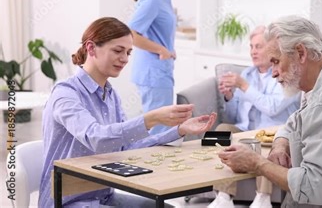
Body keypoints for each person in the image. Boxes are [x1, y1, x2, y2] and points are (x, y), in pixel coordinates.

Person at [38, 17, 216, 208]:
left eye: (128, 53)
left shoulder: (111, 95)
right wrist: (151, 119)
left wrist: (179, 130)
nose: (124, 59)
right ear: (91, 48)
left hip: (103, 196)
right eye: (117, 51)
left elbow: (128, 147)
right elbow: (94, 136)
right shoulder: (65, 94)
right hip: (67, 201)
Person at [217, 16, 322, 207]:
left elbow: (313, 189)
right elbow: (294, 121)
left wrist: (258, 163)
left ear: (300, 53)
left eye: (275, 61)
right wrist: (280, 144)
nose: (273, 72)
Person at [209, 26, 301, 208]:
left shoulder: (284, 73)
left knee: (260, 142)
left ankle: (263, 198)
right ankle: (224, 196)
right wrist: (229, 97)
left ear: (272, 48)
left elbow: (272, 107)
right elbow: (233, 116)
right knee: (222, 130)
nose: (253, 52)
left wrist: (244, 86)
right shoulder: (247, 74)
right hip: (246, 131)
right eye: (251, 47)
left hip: (272, 132)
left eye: (258, 46)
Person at [128, 0, 198, 135]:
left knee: (164, 125)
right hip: (153, 73)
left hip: (160, 71)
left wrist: (167, 49)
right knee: (160, 128)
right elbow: (131, 35)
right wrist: (161, 50)